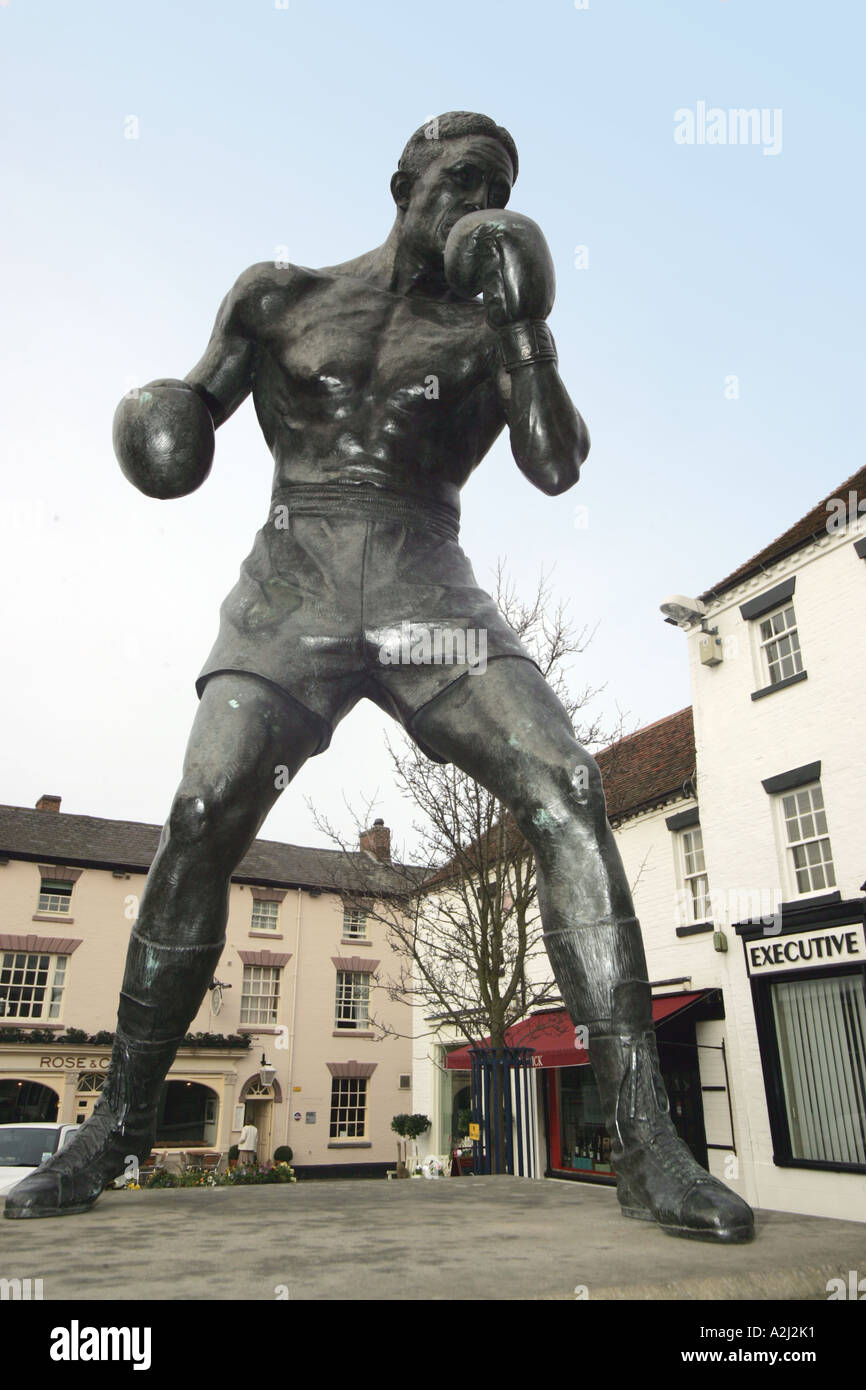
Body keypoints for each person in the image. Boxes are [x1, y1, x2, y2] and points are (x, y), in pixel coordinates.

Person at [5, 112, 753, 1242]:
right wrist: (151, 415)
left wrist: (527, 329)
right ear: (401, 180)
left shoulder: (491, 319)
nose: (478, 199)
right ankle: (116, 1121)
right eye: (460, 176)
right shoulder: (278, 294)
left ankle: (647, 1140)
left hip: (423, 596)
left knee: (566, 785)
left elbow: (555, 464)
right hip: (291, 589)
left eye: (497, 185)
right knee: (201, 810)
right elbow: (190, 411)